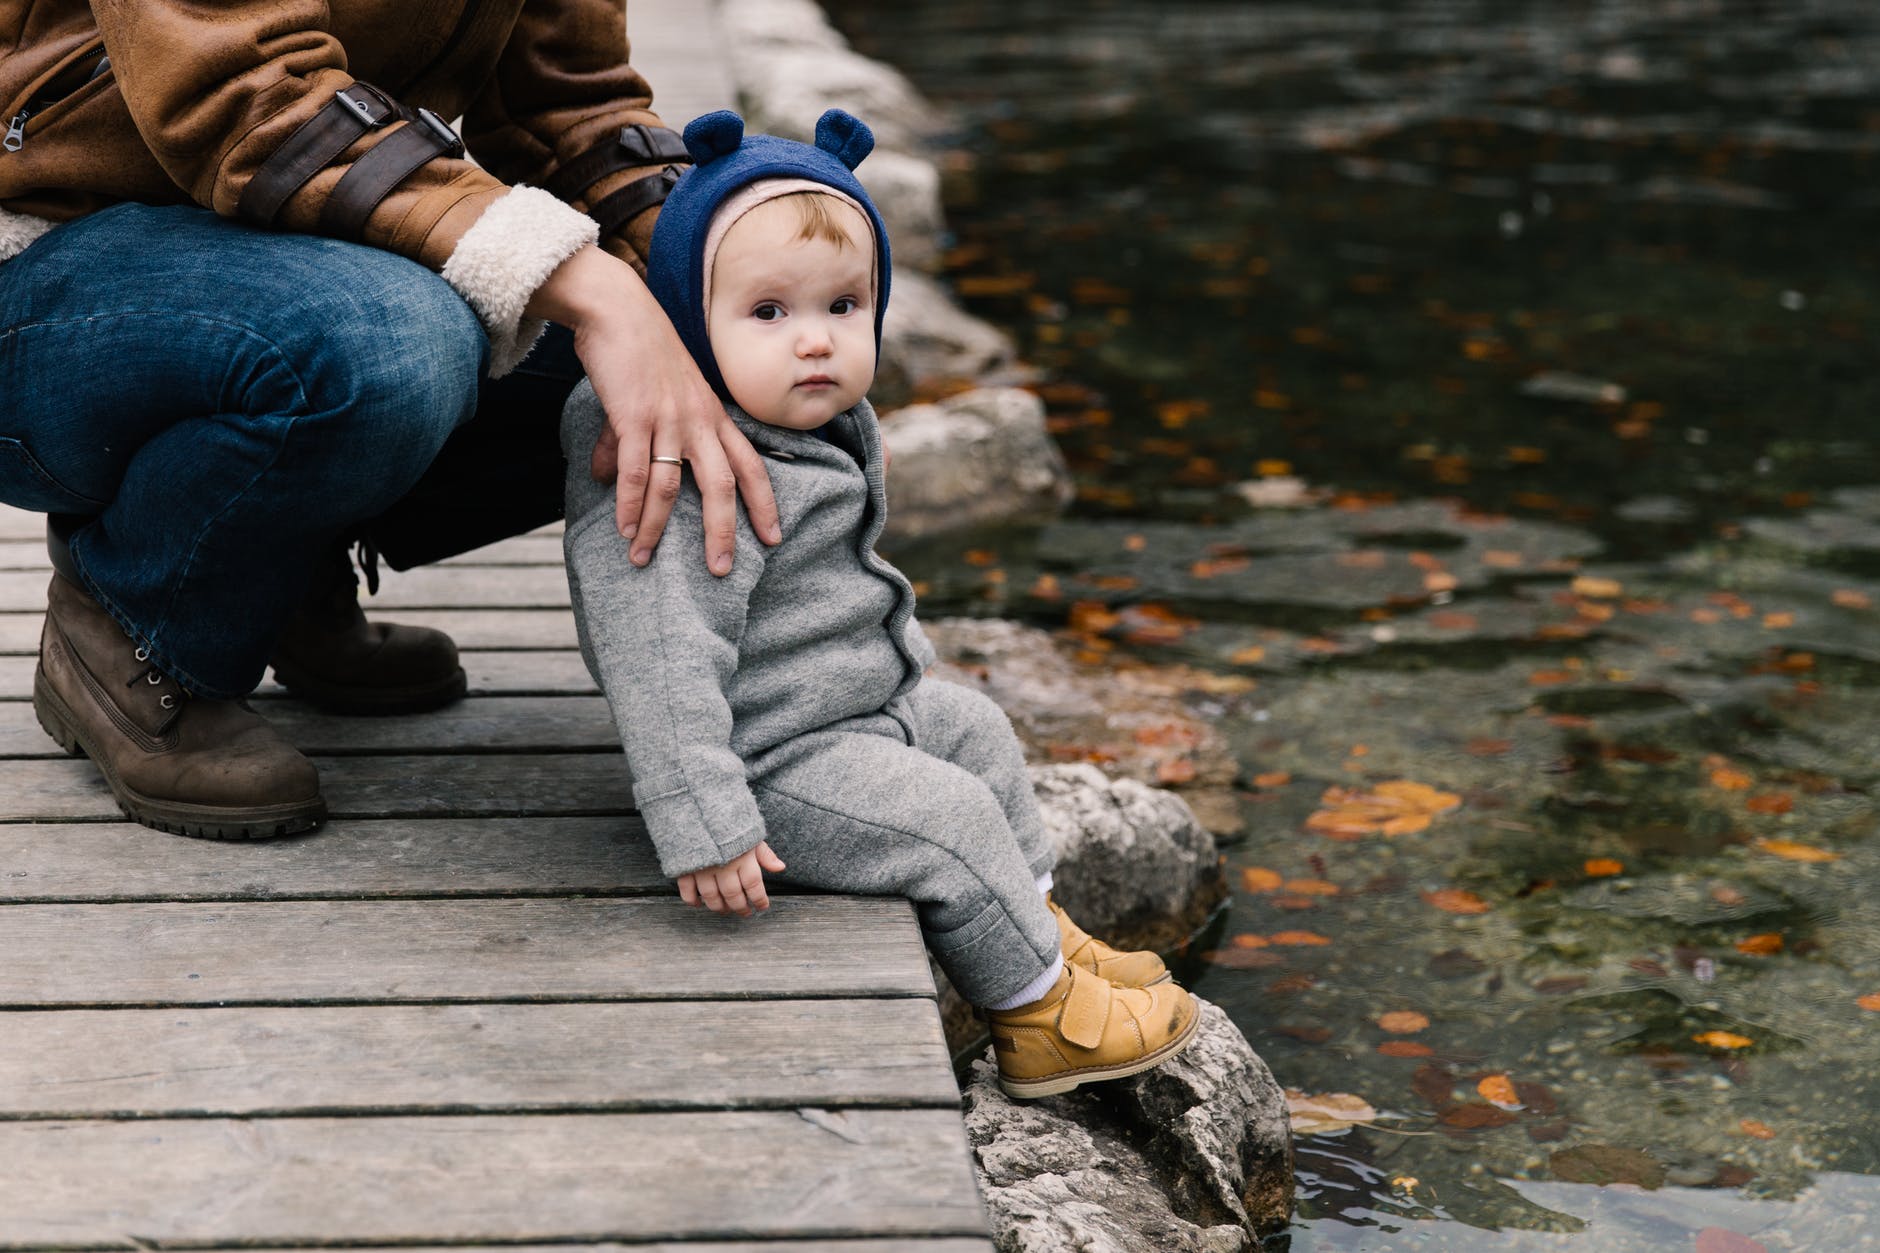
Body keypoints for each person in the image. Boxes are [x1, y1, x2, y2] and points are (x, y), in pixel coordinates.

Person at [0, 2, 777, 838]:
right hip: (48, 254)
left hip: (284, 237)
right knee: (395, 346)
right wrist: (597, 290)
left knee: (736, 333)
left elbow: (569, 109)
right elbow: (241, 100)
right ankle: (133, 625)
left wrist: (730, 264)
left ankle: (272, 576)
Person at [560, 108, 1201, 1099]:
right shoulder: (675, 470)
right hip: (766, 758)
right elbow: (656, 652)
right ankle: (1039, 1015)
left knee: (975, 728)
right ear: (686, 324)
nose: (813, 342)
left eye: (844, 307)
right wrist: (703, 819)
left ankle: (1046, 934)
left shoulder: (812, 424)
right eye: (768, 313)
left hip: (851, 707)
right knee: (946, 817)